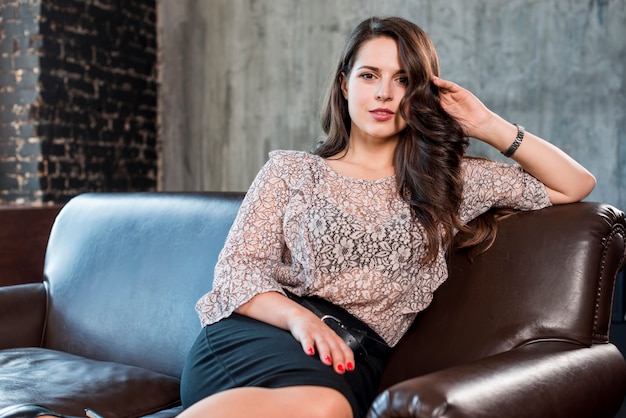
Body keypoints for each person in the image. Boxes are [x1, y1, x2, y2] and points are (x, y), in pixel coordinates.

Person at [178, 16, 595, 418]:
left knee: (326, 408)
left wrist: (487, 124)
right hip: (263, 334)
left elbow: (574, 184)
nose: (384, 93)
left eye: (403, 80)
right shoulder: (292, 171)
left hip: (352, 356)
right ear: (344, 84)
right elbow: (236, 271)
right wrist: (302, 321)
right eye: (369, 75)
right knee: (320, 409)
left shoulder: (450, 181)